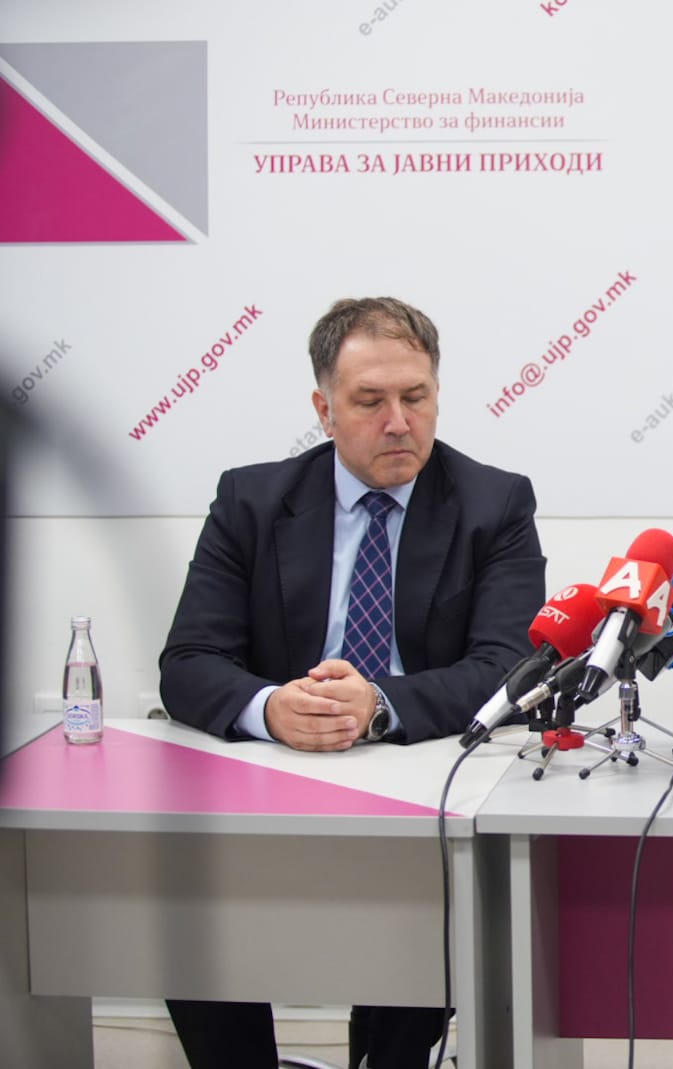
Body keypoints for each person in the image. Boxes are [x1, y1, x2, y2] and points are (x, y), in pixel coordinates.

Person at [158, 296, 546, 1069]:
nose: (398, 421)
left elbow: (509, 667)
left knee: (427, 922)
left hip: (422, 793)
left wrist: (378, 704)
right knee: (187, 908)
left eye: (416, 396)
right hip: (270, 790)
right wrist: (271, 707)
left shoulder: (494, 503)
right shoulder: (251, 500)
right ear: (324, 409)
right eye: (370, 401)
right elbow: (189, 660)